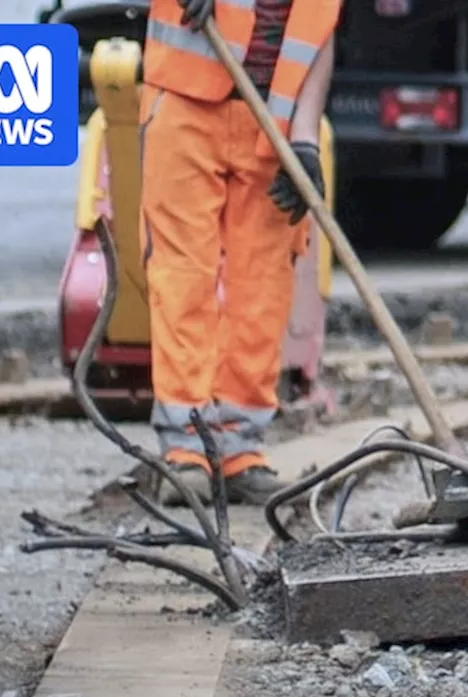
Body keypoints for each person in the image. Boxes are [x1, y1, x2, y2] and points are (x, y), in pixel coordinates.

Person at [140, 0, 339, 505]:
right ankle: (186, 447)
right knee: (184, 276)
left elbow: (319, 34)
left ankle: (238, 449)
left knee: (264, 284)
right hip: (185, 103)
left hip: (270, 121)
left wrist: (305, 141)